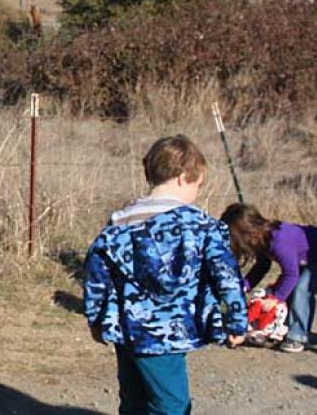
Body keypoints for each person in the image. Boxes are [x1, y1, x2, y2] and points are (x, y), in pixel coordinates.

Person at [83, 135, 247, 415]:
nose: (197, 191)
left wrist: (96, 319)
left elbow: (96, 274)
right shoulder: (202, 226)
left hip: (127, 327)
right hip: (171, 330)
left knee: (134, 400)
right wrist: (236, 321)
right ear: (184, 177)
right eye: (199, 184)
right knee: (172, 404)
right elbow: (226, 276)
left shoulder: (120, 222)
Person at [220, 203, 317, 354]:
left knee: (301, 289)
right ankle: (282, 328)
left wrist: (275, 298)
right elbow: (261, 267)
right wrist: (243, 287)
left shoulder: (279, 241)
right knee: (289, 288)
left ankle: (298, 336)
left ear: (246, 233)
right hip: (305, 259)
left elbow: (291, 275)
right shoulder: (262, 240)